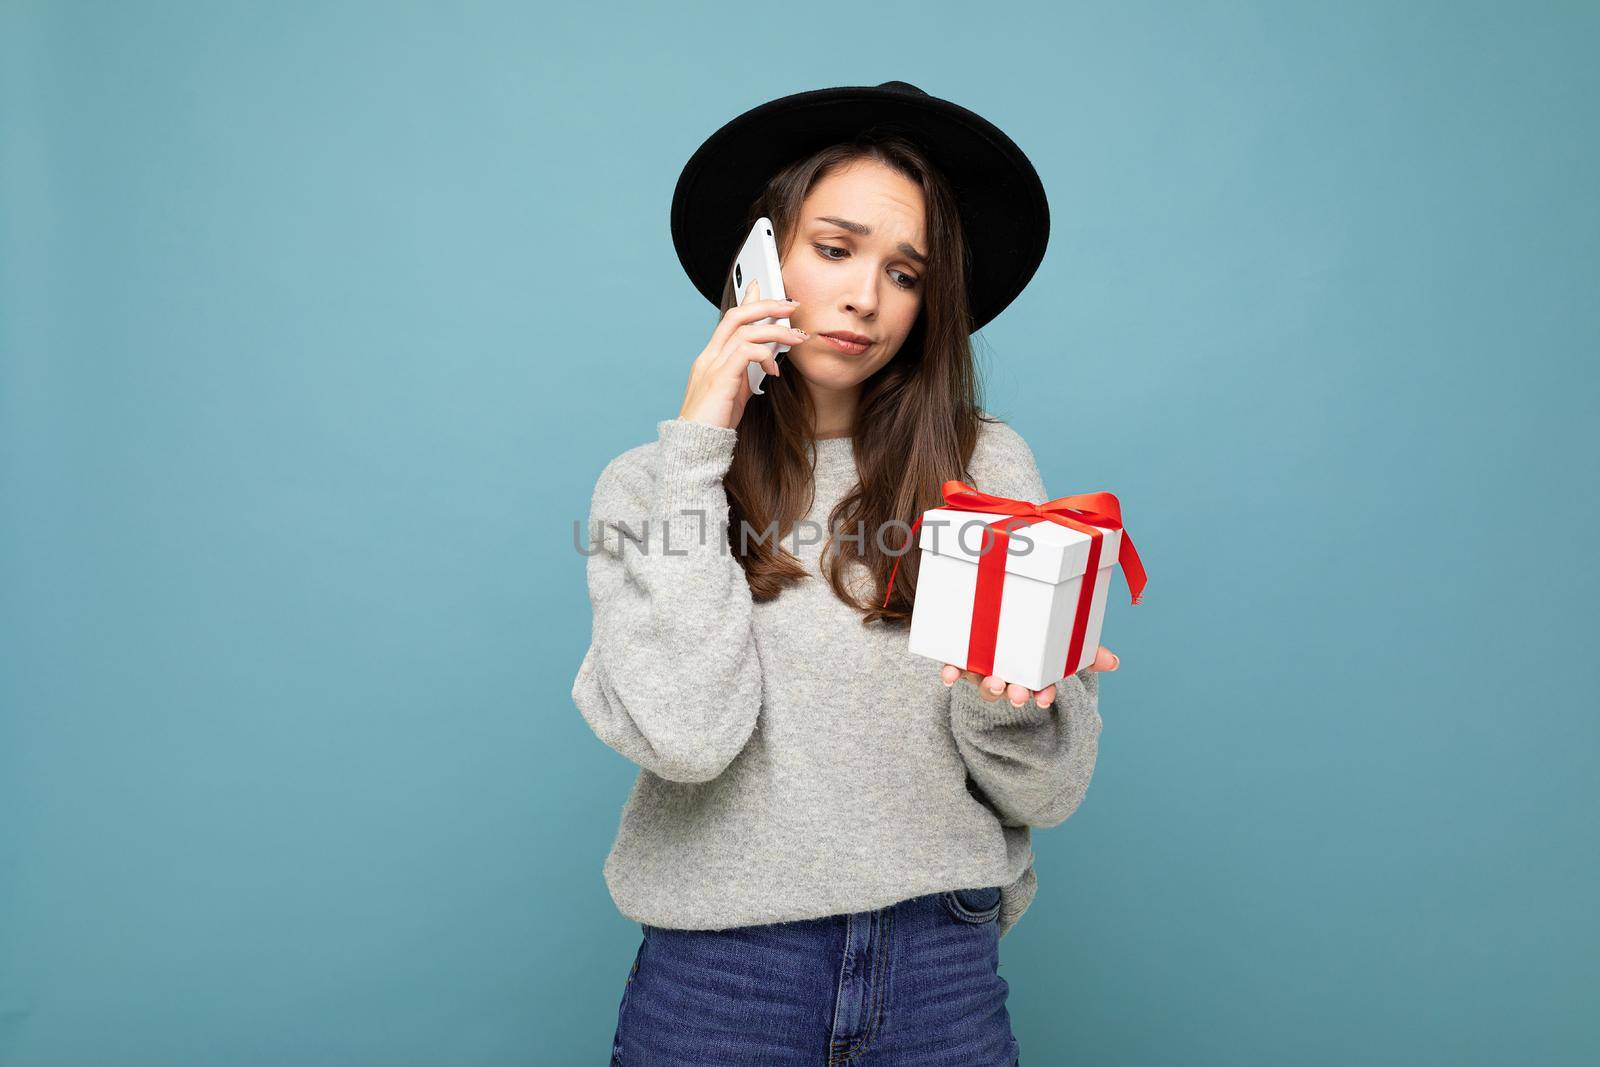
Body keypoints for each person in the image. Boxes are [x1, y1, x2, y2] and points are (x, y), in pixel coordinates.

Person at [573, 81, 1122, 1066]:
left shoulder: (981, 469)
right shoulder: (648, 488)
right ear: (759, 256)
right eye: (834, 249)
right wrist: (701, 440)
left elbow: (1048, 788)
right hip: (721, 979)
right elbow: (685, 736)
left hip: (936, 963)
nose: (866, 297)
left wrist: (1015, 701)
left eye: (905, 273)